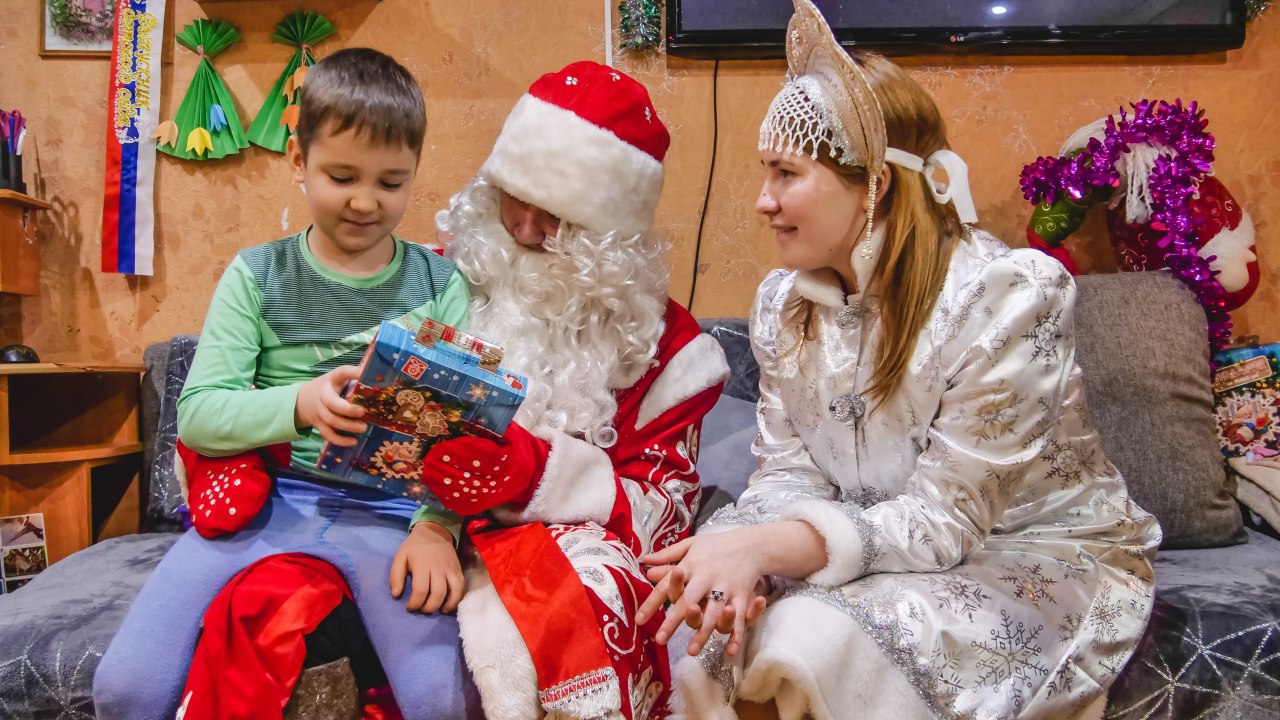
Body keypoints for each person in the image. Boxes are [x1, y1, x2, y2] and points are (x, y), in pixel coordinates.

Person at [637, 2, 1162, 719]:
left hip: (1030, 556)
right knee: (714, 639)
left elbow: (944, 523)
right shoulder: (781, 305)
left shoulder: (1008, 297)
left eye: (786, 173)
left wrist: (769, 547)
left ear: (876, 184)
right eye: (765, 173)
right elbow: (787, 472)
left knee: (808, 642)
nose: (763, 201)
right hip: (871, 550)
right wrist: (731, 551)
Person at [93, 48, 474, 720]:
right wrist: (299, 404)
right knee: (125, 689)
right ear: (298, 163)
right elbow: (202, 415)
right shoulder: (256, 275)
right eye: (340, 175)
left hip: (389, 515)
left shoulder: (440, 284)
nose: (364, 201)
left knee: (439, 702)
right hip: (269, 506)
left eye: (391, 183)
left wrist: (437, 528)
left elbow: (464, 425)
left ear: (416, 174)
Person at [388, 60, 730, 720]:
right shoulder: (442, 278)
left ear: (612, 238)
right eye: (514, 199)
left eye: (558, 218)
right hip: (410, 524)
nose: (523, 230)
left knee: (598, 592)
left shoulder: (673, 353)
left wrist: (533, 472)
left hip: (554, 543)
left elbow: (664, 515)